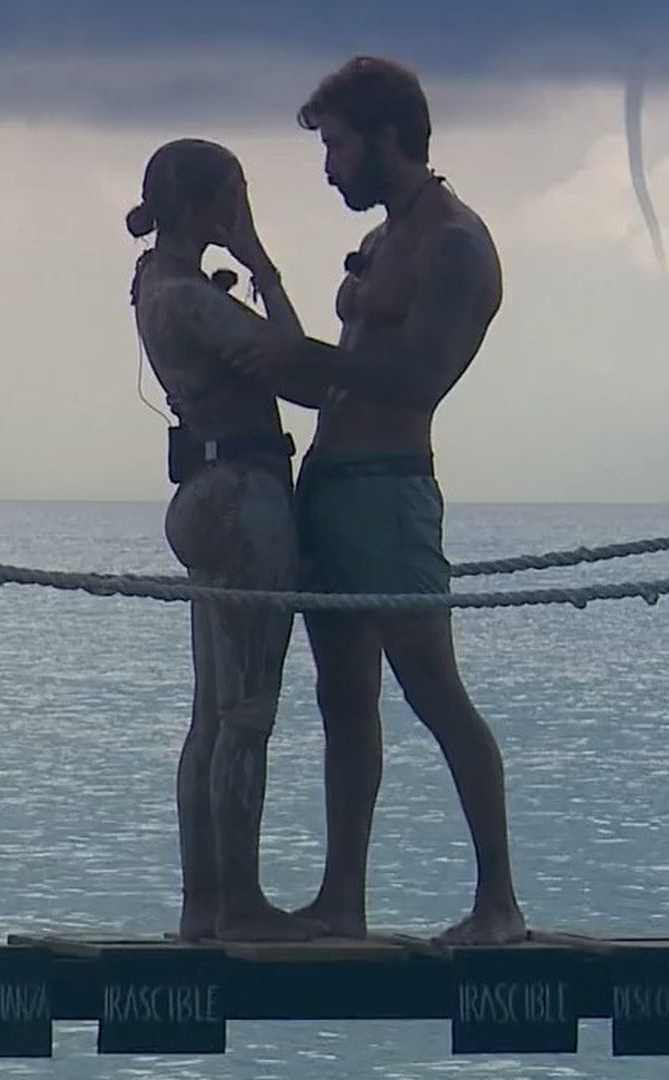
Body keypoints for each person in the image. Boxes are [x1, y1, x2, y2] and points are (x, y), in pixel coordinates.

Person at [228, 56, 527, 946]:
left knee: (434, 689)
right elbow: (332, 381)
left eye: (337, 145)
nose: (328, 168)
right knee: (343, 699)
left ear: (386, 135)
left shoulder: (454, 243)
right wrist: (258, 311)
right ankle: (341, 899)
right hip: (329, 484)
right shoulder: (388, 237)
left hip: (389, 491)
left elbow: (419, 375)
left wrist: (311, 359)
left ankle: (499, 904)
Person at [127, 138, 326, 942]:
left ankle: (203, 903)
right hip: (244, 500)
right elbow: (305, 375)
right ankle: (239, 902)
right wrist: (263, 268)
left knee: (211, 715)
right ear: (209, 206)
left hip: (205, 495)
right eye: (234, 198)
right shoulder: (190, 299)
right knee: (245, 713)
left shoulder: (152, 283)